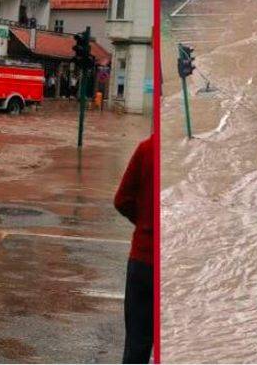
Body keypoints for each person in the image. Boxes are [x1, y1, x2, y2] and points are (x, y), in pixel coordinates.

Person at [114, 136, 153, 364]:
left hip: (142, 261)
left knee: (136, 347)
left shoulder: (146, 149)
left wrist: (143, 224)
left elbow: (122, 200)